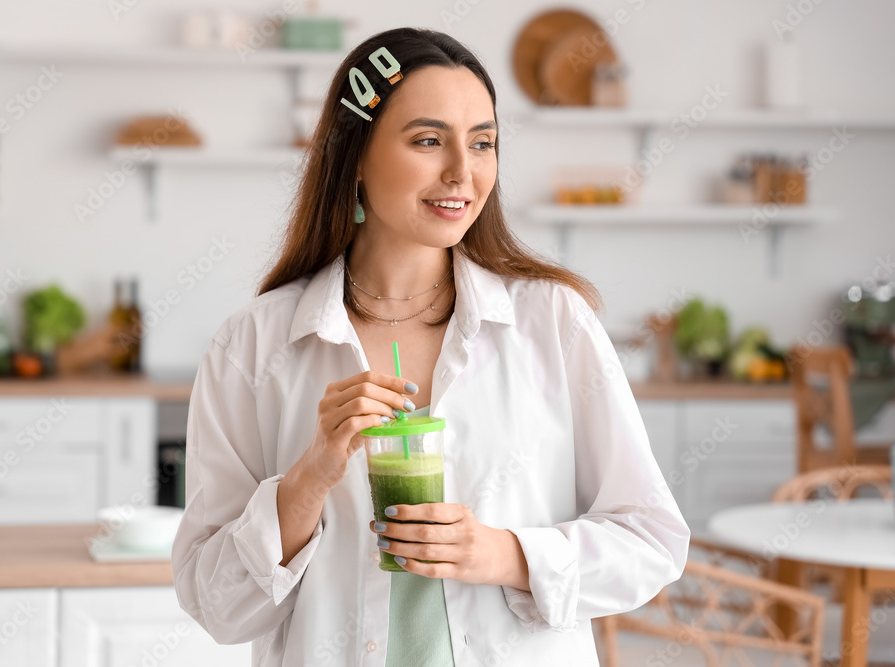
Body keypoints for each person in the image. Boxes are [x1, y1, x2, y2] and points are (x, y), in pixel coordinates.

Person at [172, 26, 689, 667]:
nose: (463, 172)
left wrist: (503, 554)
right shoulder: (252, 345)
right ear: (355, 155)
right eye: (427, 140)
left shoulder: (553, 323)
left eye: (483, 143)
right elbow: (214, 605)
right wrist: (309, 480)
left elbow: (652, 540)